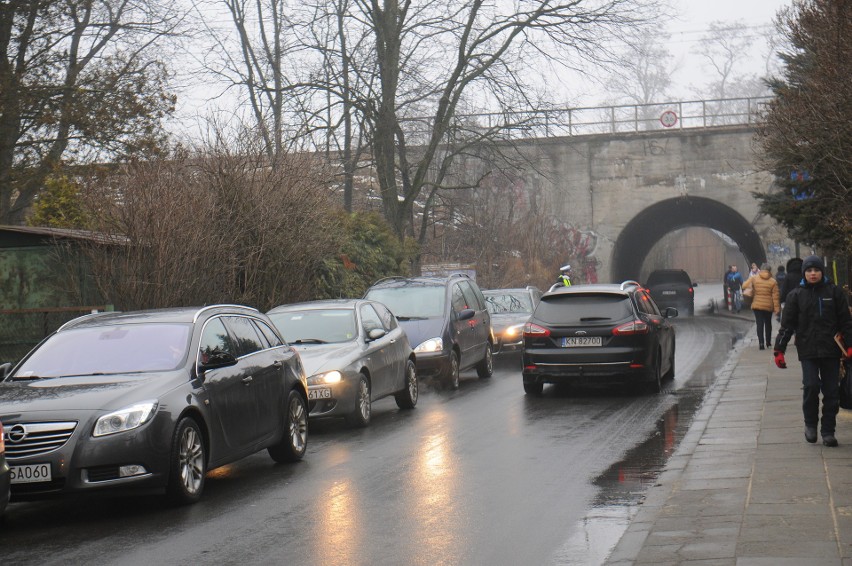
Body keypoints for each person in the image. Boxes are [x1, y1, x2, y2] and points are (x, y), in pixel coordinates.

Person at [773, 255, 852, 447]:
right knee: (811, 387)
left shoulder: (834, 293)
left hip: (831, 350)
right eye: (809, 271)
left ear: (821, 272)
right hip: (808, 350)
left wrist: (849, 345)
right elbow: (787, 325)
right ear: (804, 273)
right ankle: (810, 424)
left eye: (816, 270)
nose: (813, 274)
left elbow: (846, 322)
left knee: (832, 392)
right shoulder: (796, 295)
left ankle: (828, 431)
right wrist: (779, 350)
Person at [741, 263, 780, 350]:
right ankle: (768, 343)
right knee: (768, 324)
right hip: (768, 306)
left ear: (761, 269)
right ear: (770, 270)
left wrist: (752, 287)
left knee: (759, 324)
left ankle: (761, 343)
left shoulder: (754, 278)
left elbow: (744, 286)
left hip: (757, 305)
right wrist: (777, 309)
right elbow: (775, 297)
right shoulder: (773, 281)